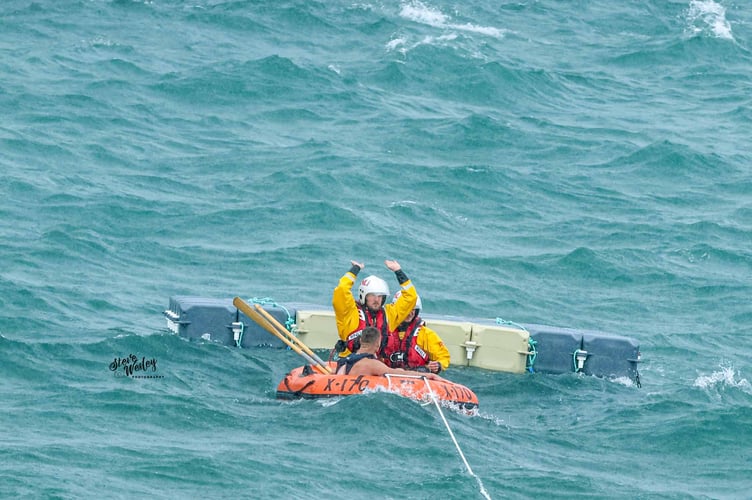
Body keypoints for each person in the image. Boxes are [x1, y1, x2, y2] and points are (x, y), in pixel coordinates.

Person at [332, 259, 417, 357]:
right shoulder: (349, 312)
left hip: (377, 365)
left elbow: (411, 297)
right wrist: (355, 269)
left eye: (380, 296)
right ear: (364, 295)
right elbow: (342, 290)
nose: (377, 300)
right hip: (351, 364)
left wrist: (398, 271)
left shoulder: (389, 314)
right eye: (372, 295)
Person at [380, 291, 450, 373]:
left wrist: (438, 365)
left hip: (417, 377)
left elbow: (444, 357)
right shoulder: (383, 330)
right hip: (387, 375)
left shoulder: (425, 334)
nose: (409, 313)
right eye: (406, 309)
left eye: (413, 309)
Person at [336, 326, 443, 380]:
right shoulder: (372, 364)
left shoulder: (345, 361)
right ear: (378, 345)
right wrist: (428, 375)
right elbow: (400, 374)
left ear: (360, 341)